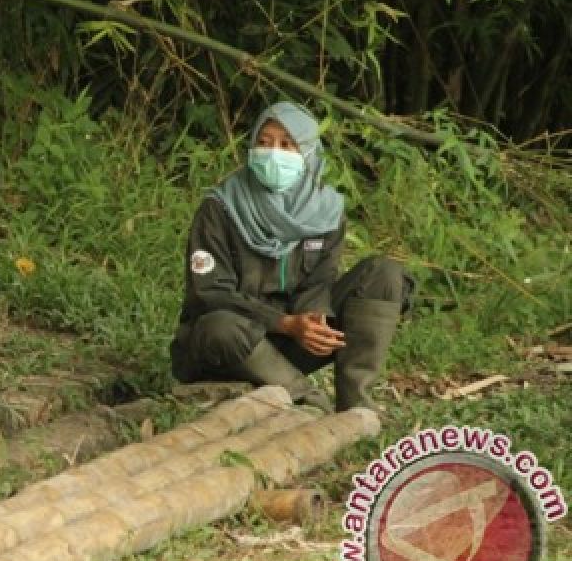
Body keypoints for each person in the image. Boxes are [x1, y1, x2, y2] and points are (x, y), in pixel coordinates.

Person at [169, 101, 412, 411]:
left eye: (287, 145)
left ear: (309, 155)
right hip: (235, 345)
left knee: (384, 274)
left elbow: (319, 284)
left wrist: (312, 321)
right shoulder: (220, 209)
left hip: (290, 345)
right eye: (264, 142)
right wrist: (284, 323)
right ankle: (306, 398)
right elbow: (209, 294)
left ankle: (357, 407)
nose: (273, 154)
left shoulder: (326, 214)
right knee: (219, 325)